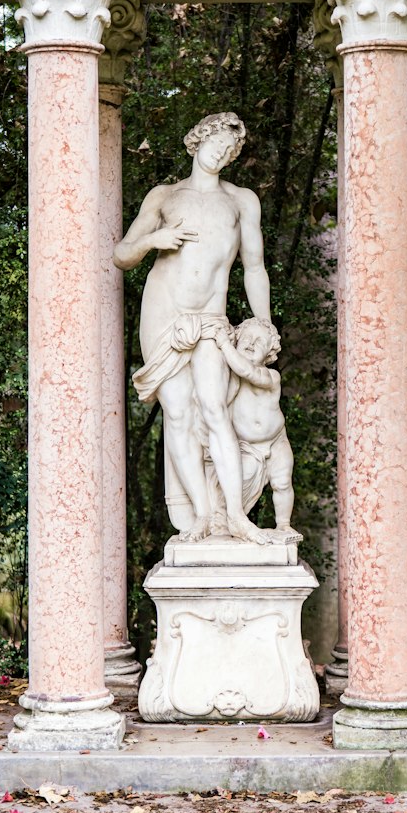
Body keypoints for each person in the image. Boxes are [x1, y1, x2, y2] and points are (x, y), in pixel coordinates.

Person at [113, 111, 274, 543]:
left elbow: (254, 268)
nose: (220, 154)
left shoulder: (242, 201)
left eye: (229, 150)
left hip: (211, 318)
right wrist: (153, 241)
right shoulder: (165, 196)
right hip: (163, 313)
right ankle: (202, 515)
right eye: (215, 144)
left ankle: (237, 516)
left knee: (215, 407)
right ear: (197, 140)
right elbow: (122, 253)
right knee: (179, 413)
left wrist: (264, 321)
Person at [206, 318, 301, 541]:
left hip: (276, 441)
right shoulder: (229, 379)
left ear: (269, 354)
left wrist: (225, 345)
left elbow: (248, 371)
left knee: (283, 482)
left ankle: (284, 524)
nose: (250, 344)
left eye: (259, 342)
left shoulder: (270, 376)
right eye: (246, 339)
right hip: (247, 446)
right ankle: (226, 520)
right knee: (237, 483)